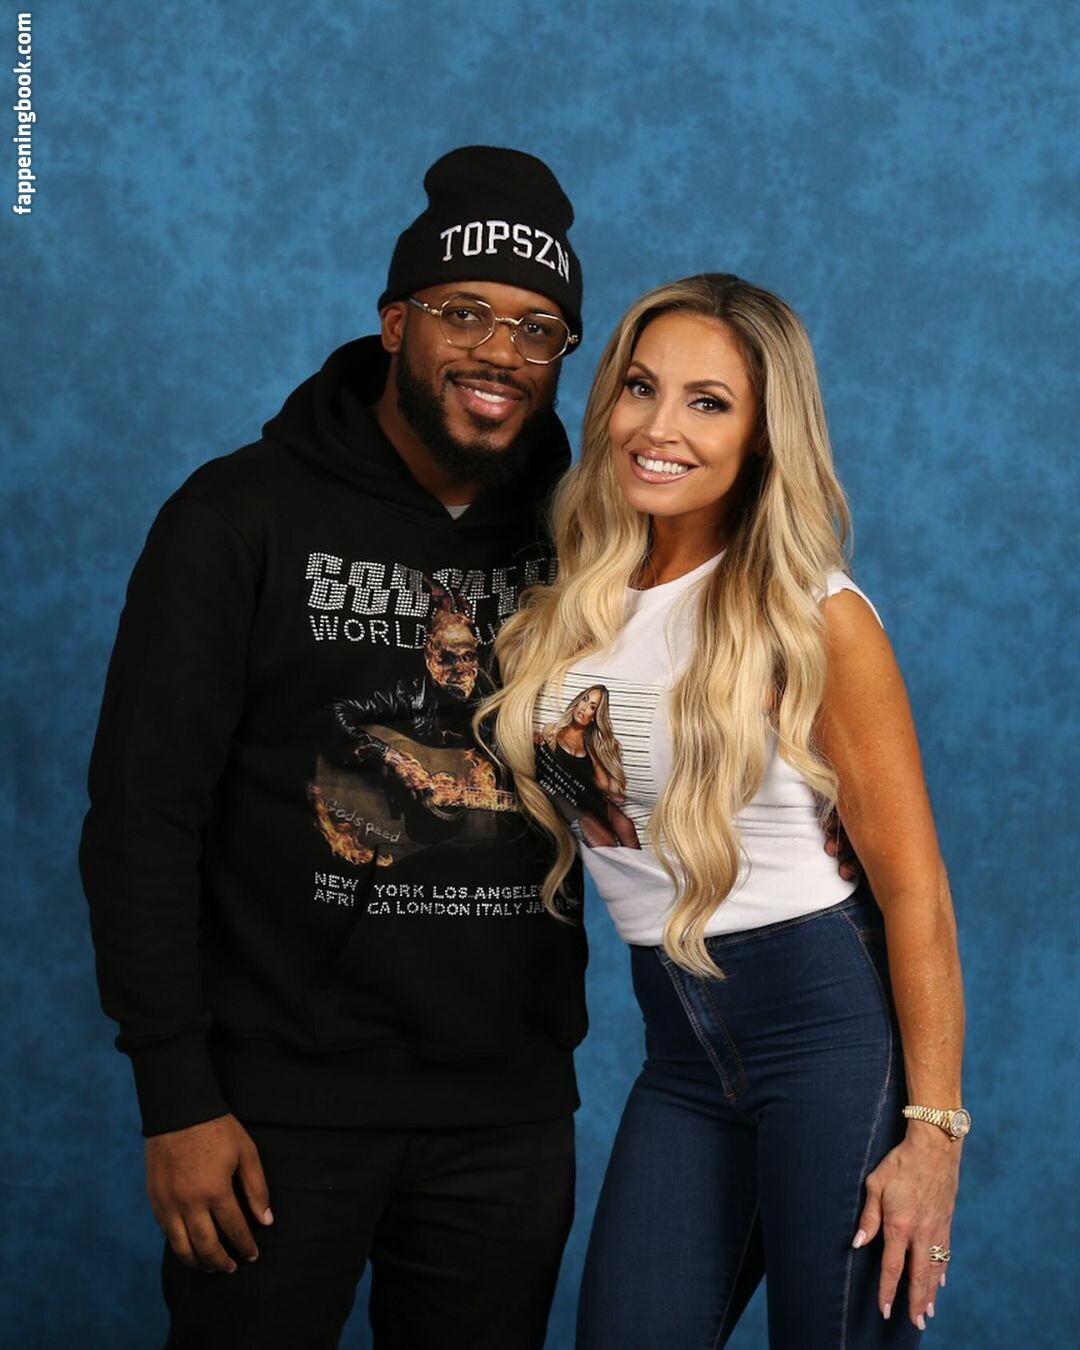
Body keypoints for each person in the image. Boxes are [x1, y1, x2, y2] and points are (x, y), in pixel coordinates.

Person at [79, 146, 591, 1350]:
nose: (501, 353)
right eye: (465, 313)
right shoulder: (236, 517)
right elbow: (143, 817)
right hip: (271, 1111)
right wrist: (176, 1094)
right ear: (396, 321)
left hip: (507, 1116)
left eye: (538, 329)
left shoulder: (587, 535)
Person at [482, 273, 967, 1348]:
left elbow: (916, 890)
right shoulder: (575, 602)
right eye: (640, 387)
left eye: (708, 403)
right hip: (682, 1054)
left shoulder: (815, 615)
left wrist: (935, 1135)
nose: (659, 428)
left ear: (762, 435)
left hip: (829, 1036)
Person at [534, 685, 642, 848]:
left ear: (594, 716)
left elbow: (609, 790)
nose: (584, 707)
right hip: (577, 808)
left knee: (630, 838)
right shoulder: (552, 730)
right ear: (577, 701)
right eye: (584, 700)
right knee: (607, 846)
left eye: (592, 707)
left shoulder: (591, 745)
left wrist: (594, 753)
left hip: (598, 803)